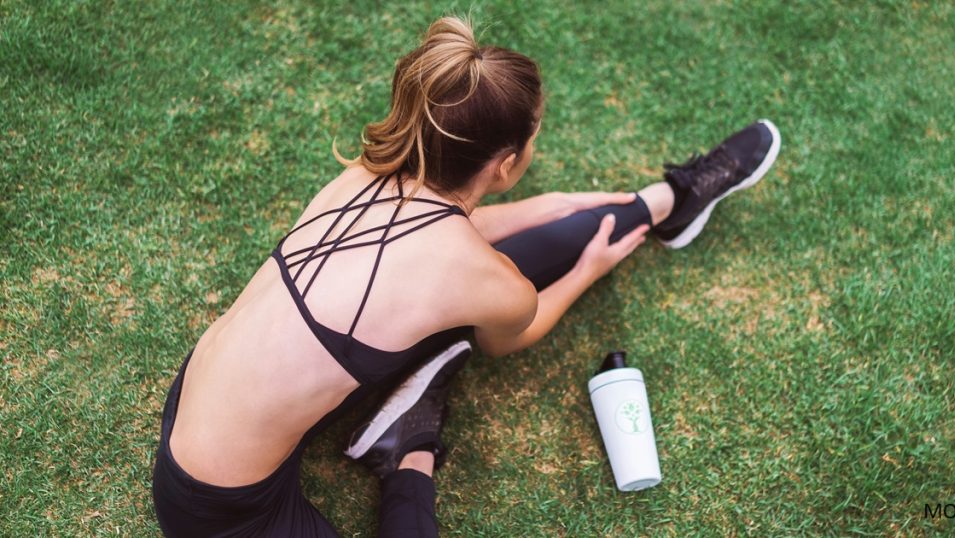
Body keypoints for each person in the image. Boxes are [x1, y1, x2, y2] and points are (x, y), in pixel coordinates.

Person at [150, 15, 780, 538]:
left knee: (462, 285)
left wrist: (561, 203)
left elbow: (455, 235)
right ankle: (408, 452)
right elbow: (509, 331)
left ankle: (667, 202)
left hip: (202, 407)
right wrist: (588, 268)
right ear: (506, 163)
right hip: (218, 510)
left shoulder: (368, 174)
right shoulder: (474, 275)